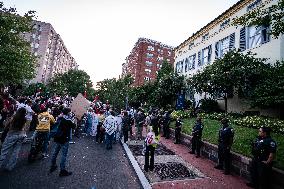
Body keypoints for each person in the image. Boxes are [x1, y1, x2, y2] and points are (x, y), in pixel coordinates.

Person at [49, 108, 76, 177]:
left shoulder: (59, 118)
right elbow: (74, 127)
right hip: (64, 139)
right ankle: (62, 170)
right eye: (70, 112)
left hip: (58, 137)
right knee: (64, 155)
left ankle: (53, 165)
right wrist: (75, 119)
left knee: (56, 152)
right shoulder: (68, 120)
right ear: (67, 113)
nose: (70, 113)